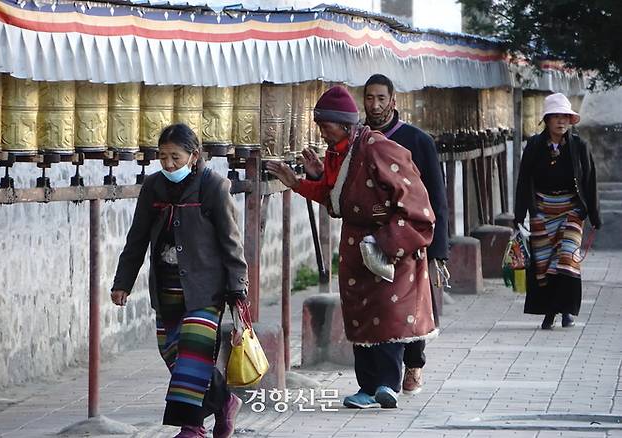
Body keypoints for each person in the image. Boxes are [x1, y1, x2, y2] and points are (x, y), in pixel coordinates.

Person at [265, 86, 437, 409]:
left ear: (343, 124)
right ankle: (368, 386)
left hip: (388, 244)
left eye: (325, 126)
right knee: (361, 315)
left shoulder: (376, 148)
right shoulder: (338, 152)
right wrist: (299, 182)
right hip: (356, 248)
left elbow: (415, 201)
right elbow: (336, 202)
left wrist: (388, 241)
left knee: (389, 312)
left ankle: (388, 383)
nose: (321, 132)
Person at [110, 123, 248, 438]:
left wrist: (238, 290)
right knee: (176, 356)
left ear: (194, 156)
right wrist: (122, 283)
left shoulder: (213, 186)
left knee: (192, 357)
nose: (169, 164)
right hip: (166, 291)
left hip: (204, 292)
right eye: (163, 157)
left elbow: (231, 243)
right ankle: (225, 401)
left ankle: (192, 428)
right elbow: (137, 238)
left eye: (175, 157)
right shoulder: (153, 187)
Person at [363, 73, 448, 396]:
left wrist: (439, 248)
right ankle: (382, 377)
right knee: (381, 306)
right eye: (370, 98)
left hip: (412, 235)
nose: (375, 105)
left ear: (393, 101)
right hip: (373, 238)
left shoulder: (417, 140)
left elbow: (437, 196)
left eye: (381, 98)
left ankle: (414, 362)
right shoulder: (360, 140)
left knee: (412, 305)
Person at [514, 93, 601, 330]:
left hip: (572, 211)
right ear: (547, 120)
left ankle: (566, 312)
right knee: (544, 264)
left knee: (566, 259)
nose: (561, 122)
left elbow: (590, 180)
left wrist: (594, 214)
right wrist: (519, 215)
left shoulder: (579, 146)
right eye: (556, 117)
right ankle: (549, 311)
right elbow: (524, 181)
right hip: (542, 211)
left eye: (565, 117)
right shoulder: (533, 146)